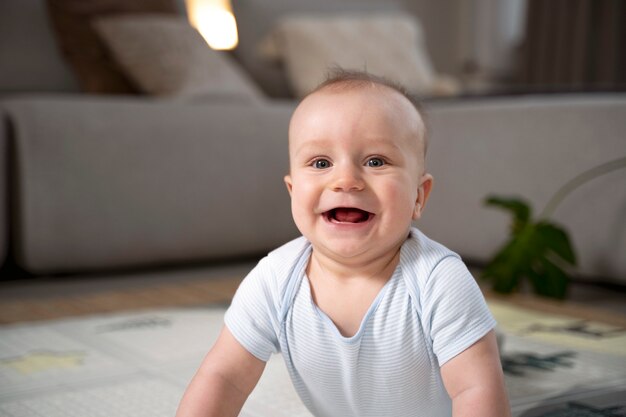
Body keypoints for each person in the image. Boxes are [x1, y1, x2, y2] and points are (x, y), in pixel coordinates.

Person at [176, 69, 511, 417]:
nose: (345, 180)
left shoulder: (439, 280)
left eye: (376, 161)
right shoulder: (275, 279)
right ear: (292, 191)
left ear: (418, 196)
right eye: (321, 162)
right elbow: (224, 376)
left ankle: (491, 344)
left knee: (483, 364)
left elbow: (476, 390)